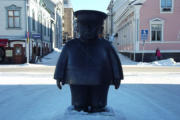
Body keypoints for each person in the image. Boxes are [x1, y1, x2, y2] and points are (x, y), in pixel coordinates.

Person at [54, 10, 124, 113]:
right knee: (79, 104)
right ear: (78, 28)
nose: (88, 30)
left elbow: (115, 62)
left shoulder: (106, 46)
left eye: (92, 27)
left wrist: (117, 76)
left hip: (100, 80)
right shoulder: (70, 45)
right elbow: (62, 62)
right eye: (85, 26)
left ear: (100, 29)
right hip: (77, 80)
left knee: (99, 104)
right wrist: (58, 76)